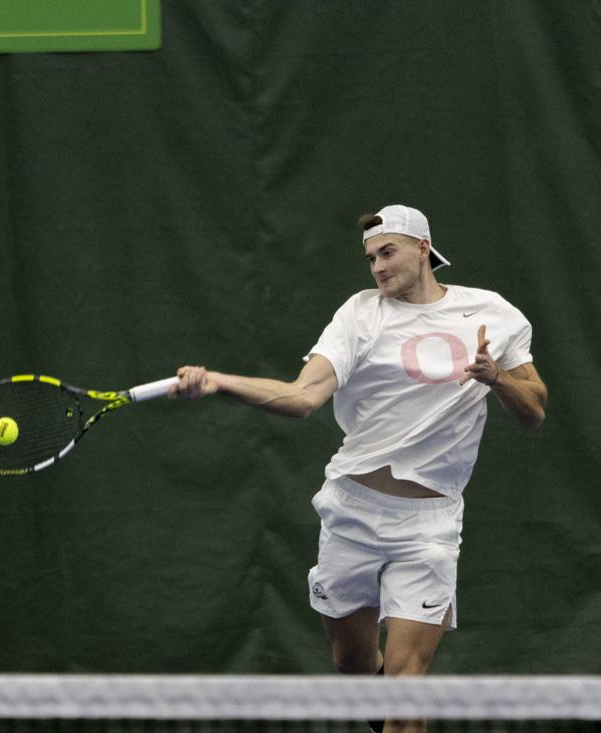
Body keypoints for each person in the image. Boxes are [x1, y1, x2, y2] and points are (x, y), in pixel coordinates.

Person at [170, 204, 548, 733]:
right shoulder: (360, 315)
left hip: (430, 527)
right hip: (351, 513)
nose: (377, 267)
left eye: (387, 252)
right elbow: (303, 397)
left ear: (423, 249)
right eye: (370, 257)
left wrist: (498, 379)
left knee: (405, 690)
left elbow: (534, 410)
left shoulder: (492, 313)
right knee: (351, 665)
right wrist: (219, 383)